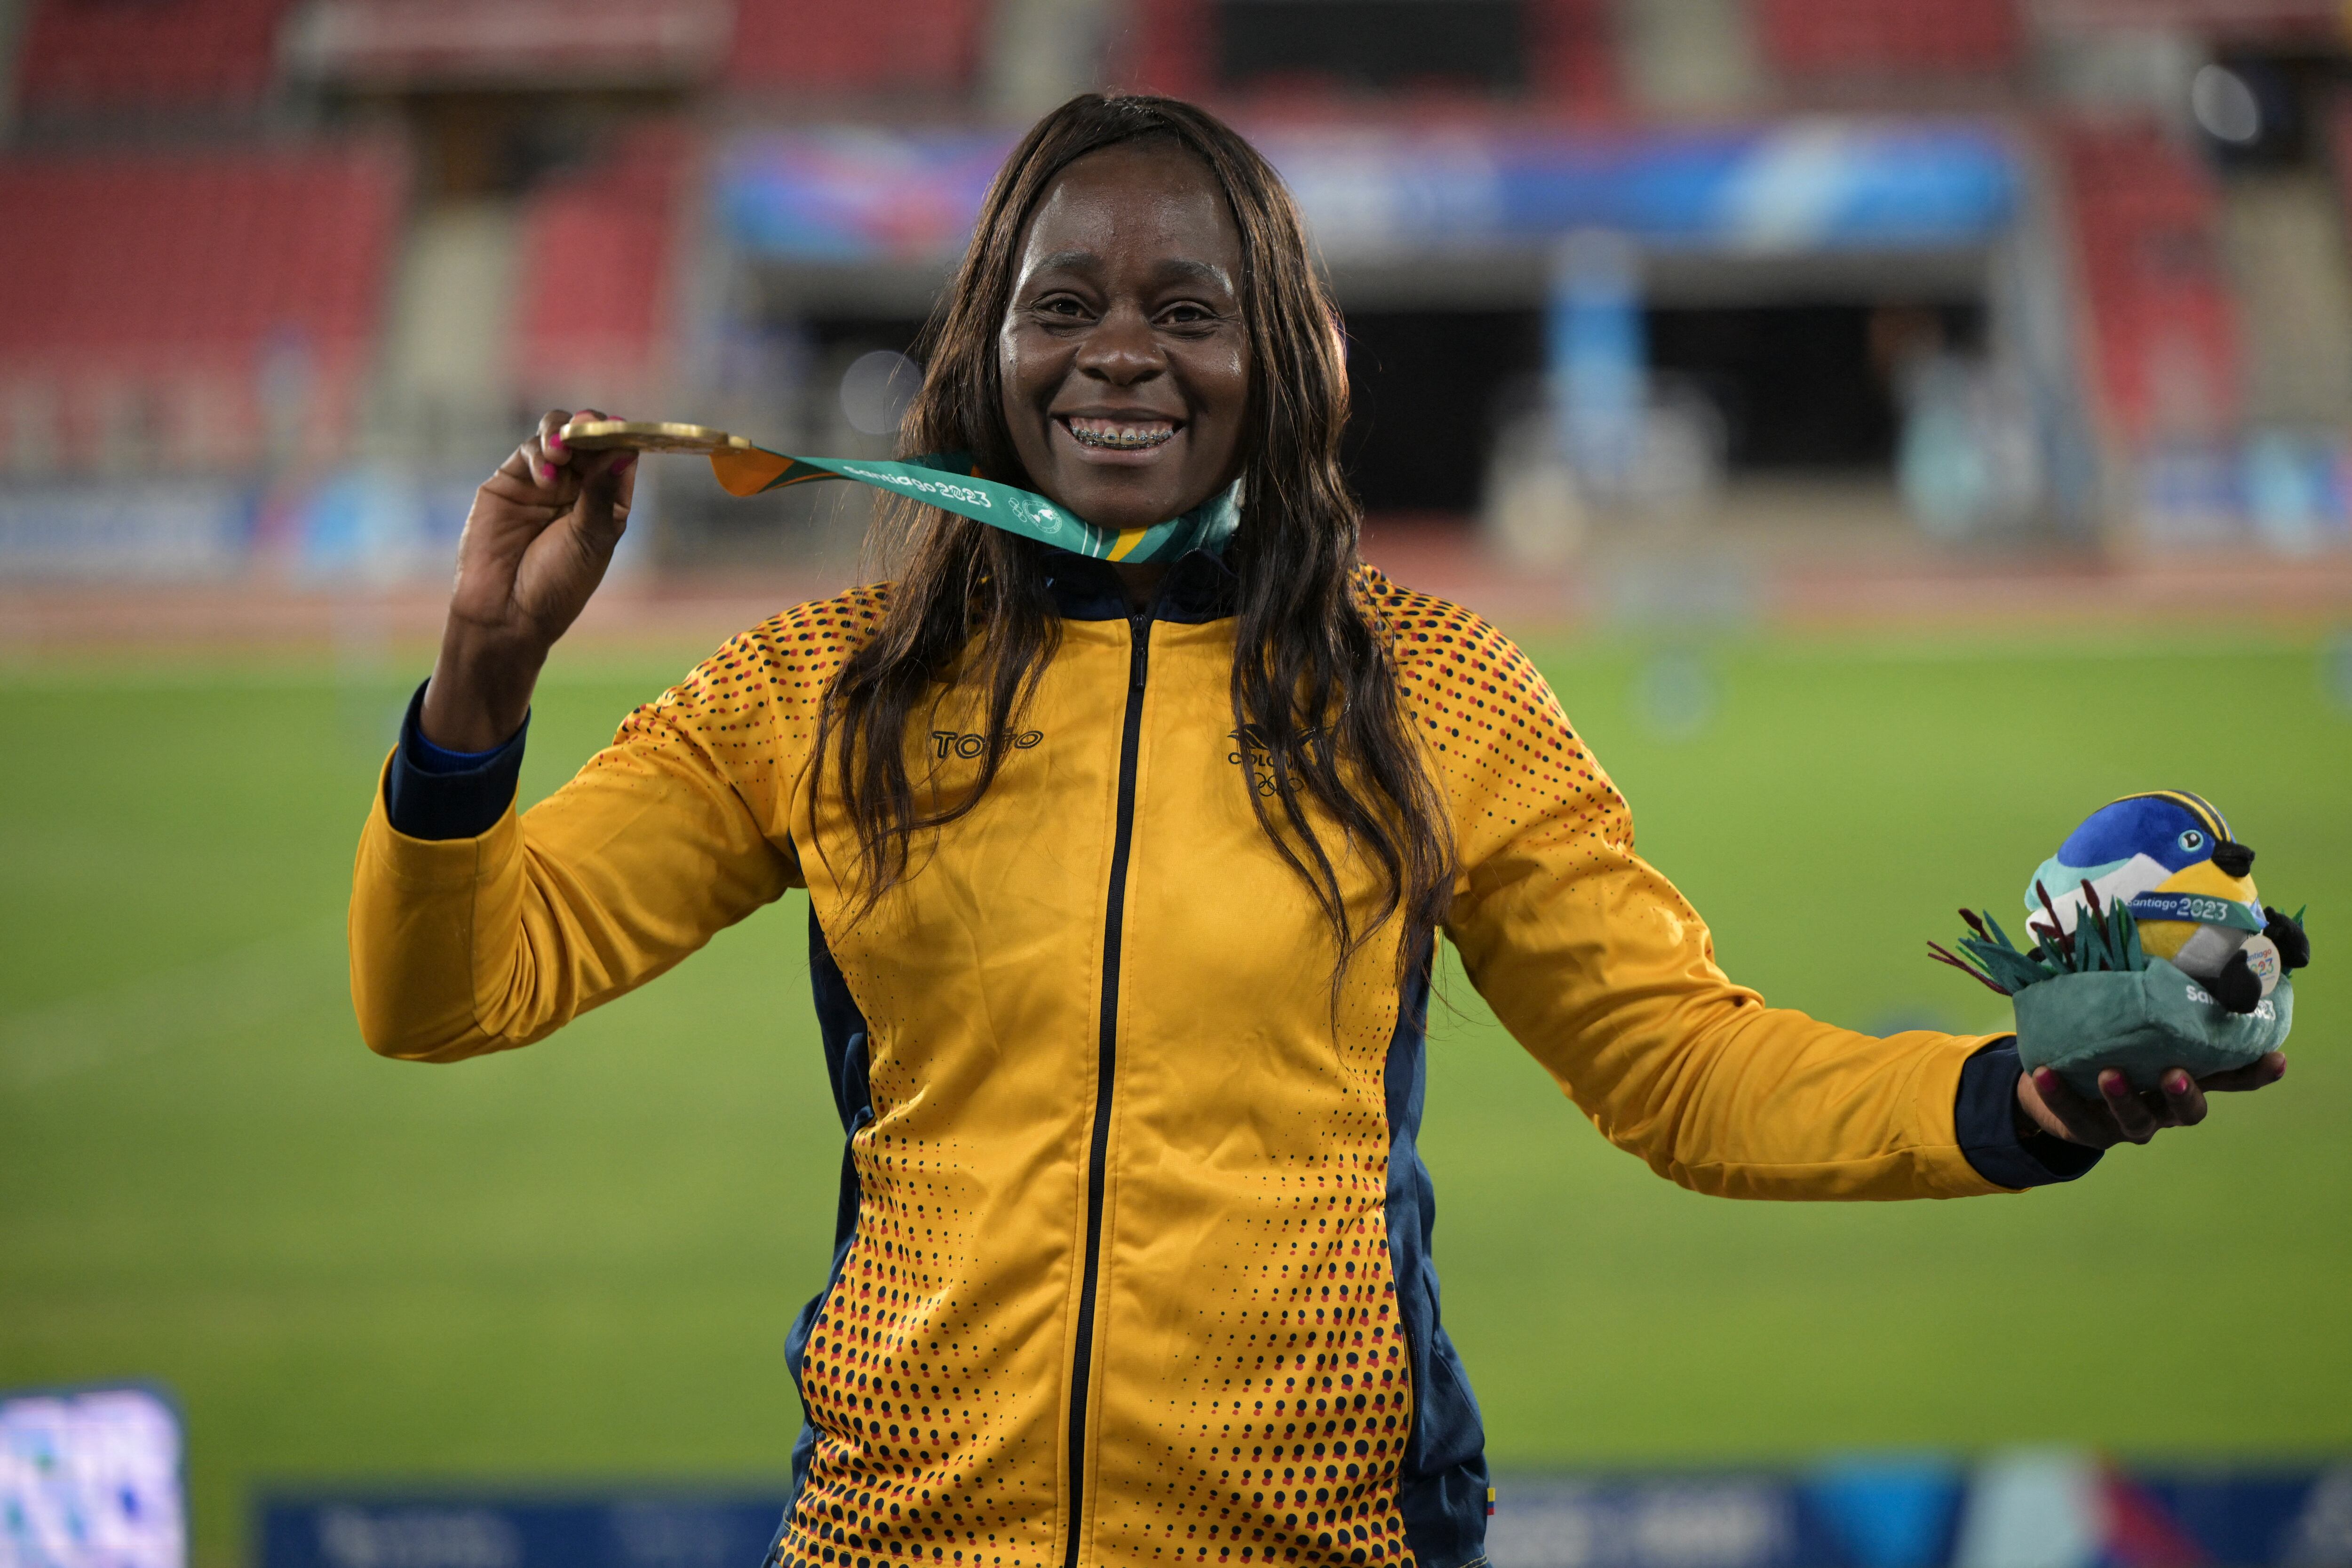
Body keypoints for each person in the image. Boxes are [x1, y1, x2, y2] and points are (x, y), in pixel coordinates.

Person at [349, 95, 2286, 1568]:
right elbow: (444, 996)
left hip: (1326, 1537)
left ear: (1273, 354)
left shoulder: (1425, 691)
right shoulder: (816, 691)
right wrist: (478, 690)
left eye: (1184, 309)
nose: (1120, 351)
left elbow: (1682, 1075)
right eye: (1063, 306)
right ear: (984, 350)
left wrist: (2004, 1104)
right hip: (896, 1539)